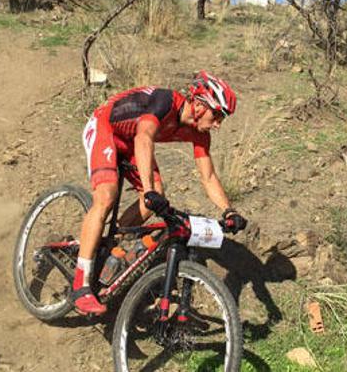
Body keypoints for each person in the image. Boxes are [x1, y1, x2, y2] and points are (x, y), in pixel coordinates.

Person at [72, 71, 248, 315]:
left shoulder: (200, 133)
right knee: (107, 195)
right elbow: (144, 137)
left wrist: (229, 210)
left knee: (155, 195)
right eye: (217, 115)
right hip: (106, 128)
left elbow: (208, 177)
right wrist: (149, 191)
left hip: (131, 140)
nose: (218, 124)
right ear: (199, 104)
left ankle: (111, 242)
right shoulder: (165, 101)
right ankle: (80, 286)